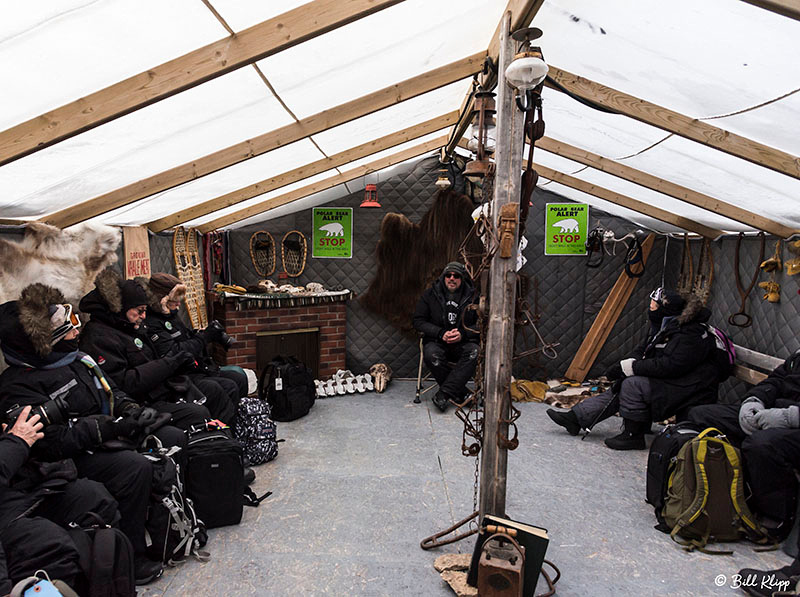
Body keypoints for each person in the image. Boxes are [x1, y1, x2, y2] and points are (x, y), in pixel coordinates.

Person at [0, 283, 171, 584]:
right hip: (65, 459)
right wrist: (108, 428)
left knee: (166, 441)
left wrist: (131, 410)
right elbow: (48, 441)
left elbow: (111, 389)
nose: (76, 332)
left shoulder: (78, 360)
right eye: (68, 327)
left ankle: (166, 533)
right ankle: (131, 555)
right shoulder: (17, 385)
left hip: (100, 439)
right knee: (133, 468)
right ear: (44, 341)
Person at [548, 288, 722, 450]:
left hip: (692, 387)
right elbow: (646, 350)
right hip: (678, 381)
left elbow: (671, 366)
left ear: (665, 310)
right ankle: (576, 419)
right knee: (624, 381)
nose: (651, 309)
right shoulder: (669, 327)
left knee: (633, 384)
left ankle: (633, 435)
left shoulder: (690, 334)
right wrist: (628, 364)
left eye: (654, 306)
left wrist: (632, 368)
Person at [77, 268, 227, 429]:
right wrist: (171, 363)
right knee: (197, 412)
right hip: (137, 405)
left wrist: (179, 363)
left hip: (160, 390)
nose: (143, 316)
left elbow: (153, 358)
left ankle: (224, 441)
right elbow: (124, 383)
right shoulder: (99, 337)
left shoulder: (129, 327)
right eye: (139, 311)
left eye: (145, 311)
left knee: (217, 391)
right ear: (120, 309)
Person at [0, 405, 118, 593]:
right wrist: (16, 442)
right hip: (8, 509)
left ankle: (106, 587)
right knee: (43, 541)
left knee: (91, 497)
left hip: (18, 487)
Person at [688, 347, 800, 543]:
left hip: (792, 422)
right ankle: (720, 493)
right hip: (773, 413)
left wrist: (790, 417)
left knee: (762, 445)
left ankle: (776, 516)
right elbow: (777, 380)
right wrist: (753, 401)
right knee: (702, 416)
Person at [143, 272, 245, 416]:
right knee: (226, 387)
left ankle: (239, 426)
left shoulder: (171, 315)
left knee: (239, 378)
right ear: (162, 300)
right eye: (174, 300)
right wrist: (203, 338)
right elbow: (174, 353)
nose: (179, 304)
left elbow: (183, 338)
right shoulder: (152, 323)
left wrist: (198, 333)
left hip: (196, 367)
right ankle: (221, 432)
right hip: (178, 376)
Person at [413, 262, 479, 412]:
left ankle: (444, 393)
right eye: (448, 275)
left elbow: (482, 324)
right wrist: (440, 333)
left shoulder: (473, 296)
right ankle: (461, 393)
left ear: (462, 279)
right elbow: (418, 321)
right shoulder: (430, 295)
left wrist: (463, 333)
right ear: (443, 277)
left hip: (463, 342)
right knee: (431, 354)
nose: (452, 278)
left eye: (456, 276)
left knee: (475, 352)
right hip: (437, 341)